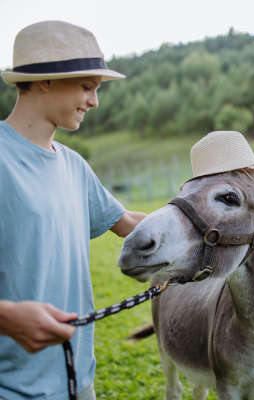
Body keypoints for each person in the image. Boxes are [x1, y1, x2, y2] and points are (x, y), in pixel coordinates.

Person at [0, 21, 146, 400]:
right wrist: (6, 318)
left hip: (79, 378)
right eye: (87, 87)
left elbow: (128, 224)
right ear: (45, 79)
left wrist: (200, 224)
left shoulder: (73, 165)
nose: (95, 101)